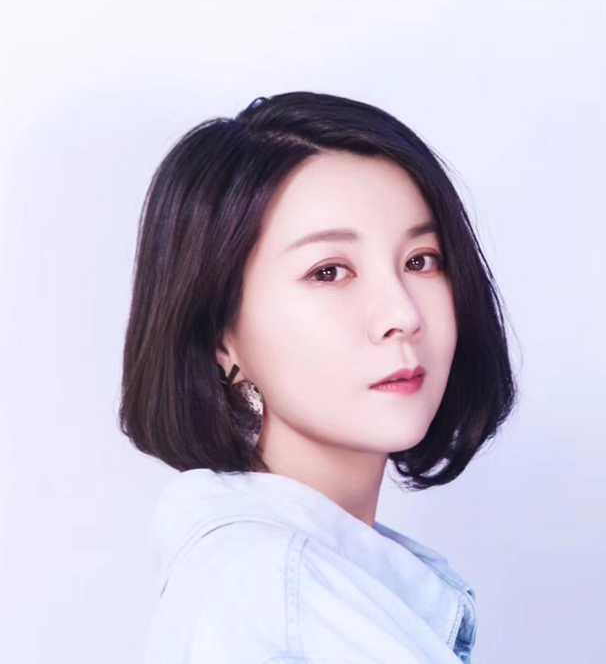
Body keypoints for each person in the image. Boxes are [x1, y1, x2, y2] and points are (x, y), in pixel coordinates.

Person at [119, 91, 518, 663]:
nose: (403, 314)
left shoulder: (289, 581)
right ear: (220, 336)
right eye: (329, 272)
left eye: (420, 260)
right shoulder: (278, 597)